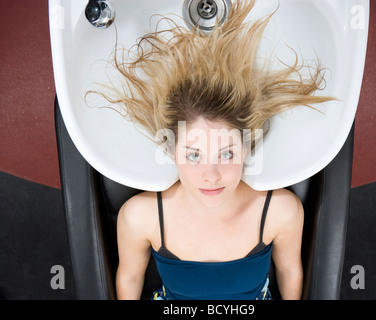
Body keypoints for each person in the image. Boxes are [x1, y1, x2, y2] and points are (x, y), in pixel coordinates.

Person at [89, 0, 334, 300]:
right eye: (194, 155)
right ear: (171, 151)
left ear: (247, 148)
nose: (211, 174)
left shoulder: (280, 212)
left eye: (227, 153)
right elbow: (129, 277)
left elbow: (290, 271)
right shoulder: (140, 217)